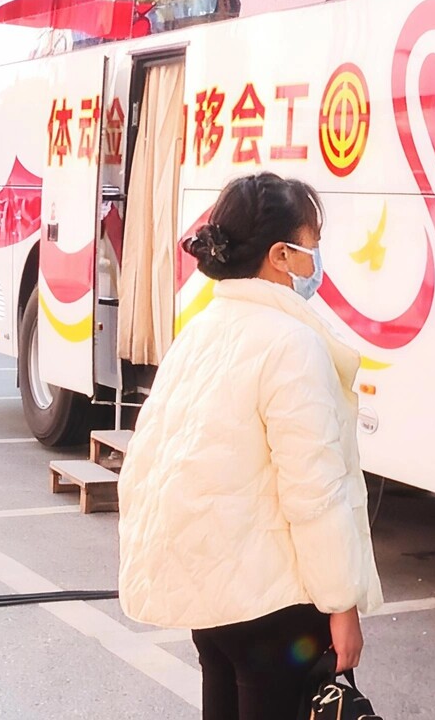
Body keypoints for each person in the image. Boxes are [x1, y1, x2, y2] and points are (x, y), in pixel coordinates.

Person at [118, 172, 383, 720]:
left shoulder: (201, 331)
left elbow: (151, 462)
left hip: (214, 601)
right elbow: (314, 491)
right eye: (311, 243)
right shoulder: (291, 343)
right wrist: (341, 604)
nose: (317, 259)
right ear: (280, 256)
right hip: (277, 602)